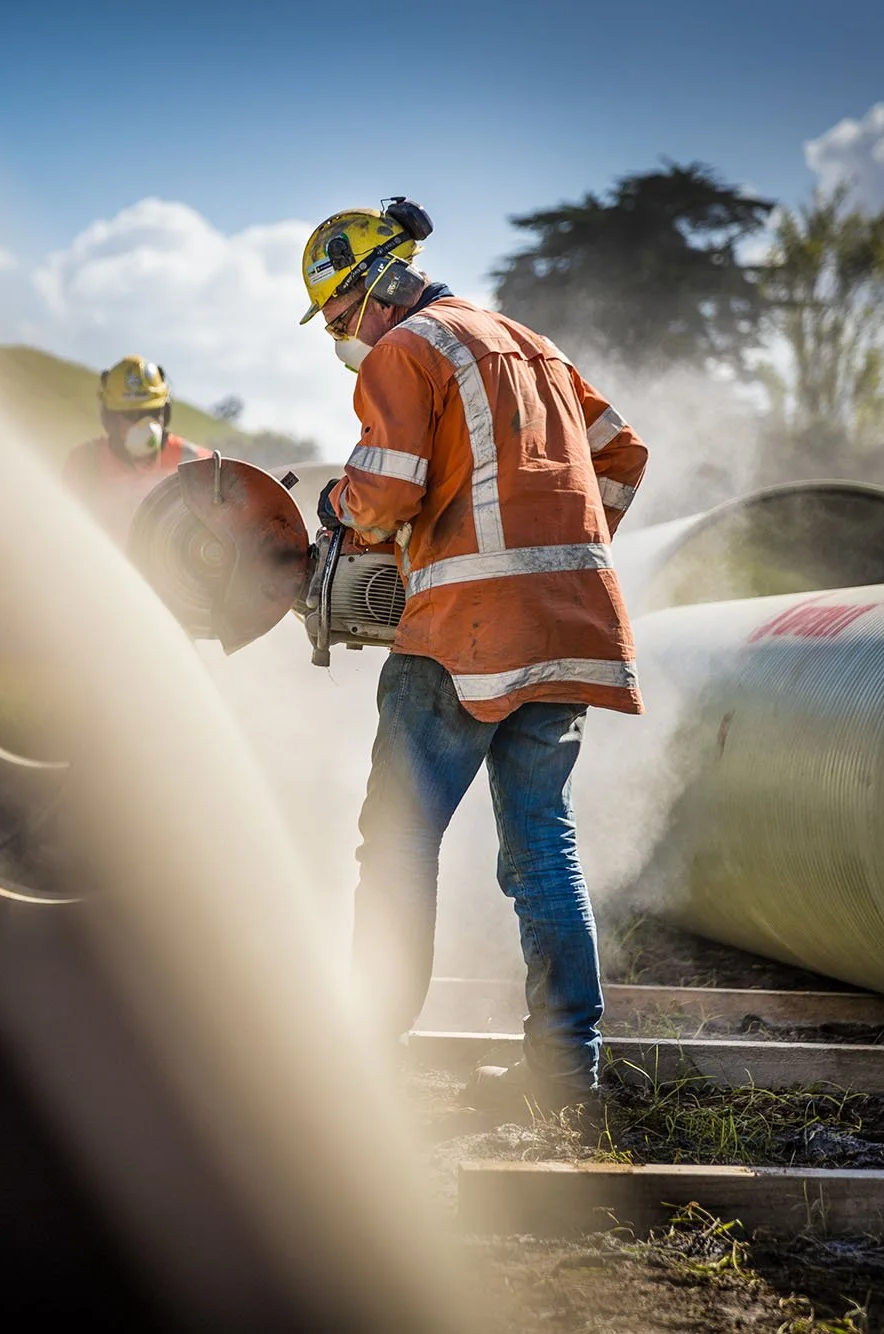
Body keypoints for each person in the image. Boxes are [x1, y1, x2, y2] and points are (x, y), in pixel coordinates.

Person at [298, 199, 648, 1116]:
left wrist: (338, 504)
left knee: (400, 840)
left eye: (337, 316)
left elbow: (383, 495)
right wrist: (555, 554)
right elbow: (624, 455)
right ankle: (568, 1078)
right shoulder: (534, 345)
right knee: (542, 847)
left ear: (372, 286)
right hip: (569, 625)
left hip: (460, 633)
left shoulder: (405, 349)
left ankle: (365, 1060)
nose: (339, 336)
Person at [62, 355, 208, 544]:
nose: (144, 423)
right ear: (111, 419)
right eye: (130, 415)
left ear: (166, 412)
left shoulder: (197, 462)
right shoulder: (84, 463)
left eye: (152, 413)